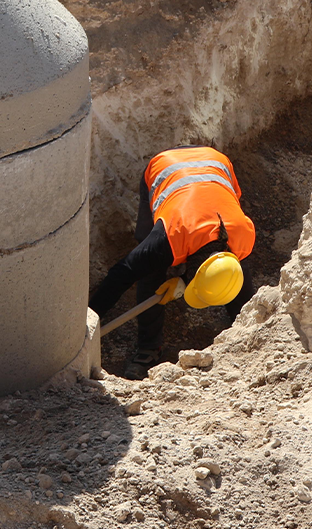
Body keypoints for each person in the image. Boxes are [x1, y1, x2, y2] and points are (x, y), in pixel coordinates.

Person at [89, 146, 257, 379]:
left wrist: (184, 280)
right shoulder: (166, 240)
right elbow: (122, 273)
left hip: (216, 162)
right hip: (164, 167)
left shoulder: (244, 235)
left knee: (238, 276)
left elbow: (232, 275)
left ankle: (245, 331)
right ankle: (149, 348)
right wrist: (88, 320)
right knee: (150, 271)